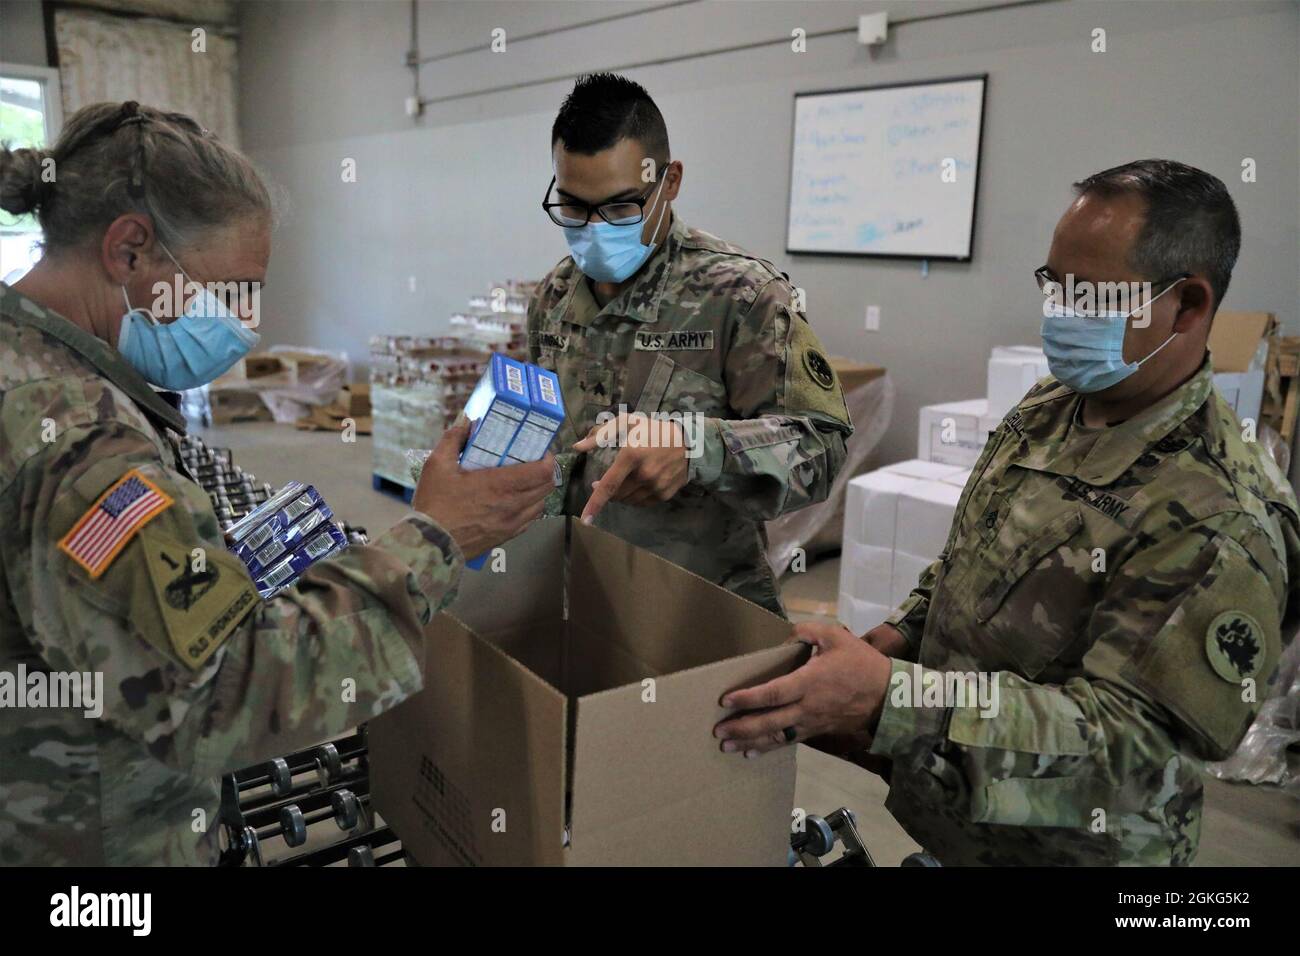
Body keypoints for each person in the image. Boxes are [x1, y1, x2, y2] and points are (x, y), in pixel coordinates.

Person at [0, 101, 554, 865]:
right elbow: (226, 692)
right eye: (230, 294)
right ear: (129, 250)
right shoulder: (80, 446)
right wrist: (436, 539)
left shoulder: (30, 365)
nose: (246, 328)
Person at [714, 159, 1300, 865]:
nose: (1061, 312)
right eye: (1054, 285)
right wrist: (892, 644)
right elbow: (970, 565)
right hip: (966, 821)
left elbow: (1131, 756)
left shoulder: (1221, 515)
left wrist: (890, 701)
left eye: (1090, 295)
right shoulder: (1050, 411)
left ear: (1189, 305)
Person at [529, 73, 853, 616]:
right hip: (579, 594)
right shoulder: (553, 296)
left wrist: (693, 449)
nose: (593, 228)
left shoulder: (741, 296)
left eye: (621, 207)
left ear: (669, 181)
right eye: (574, 207)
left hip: (700, 610)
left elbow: (822, 447)